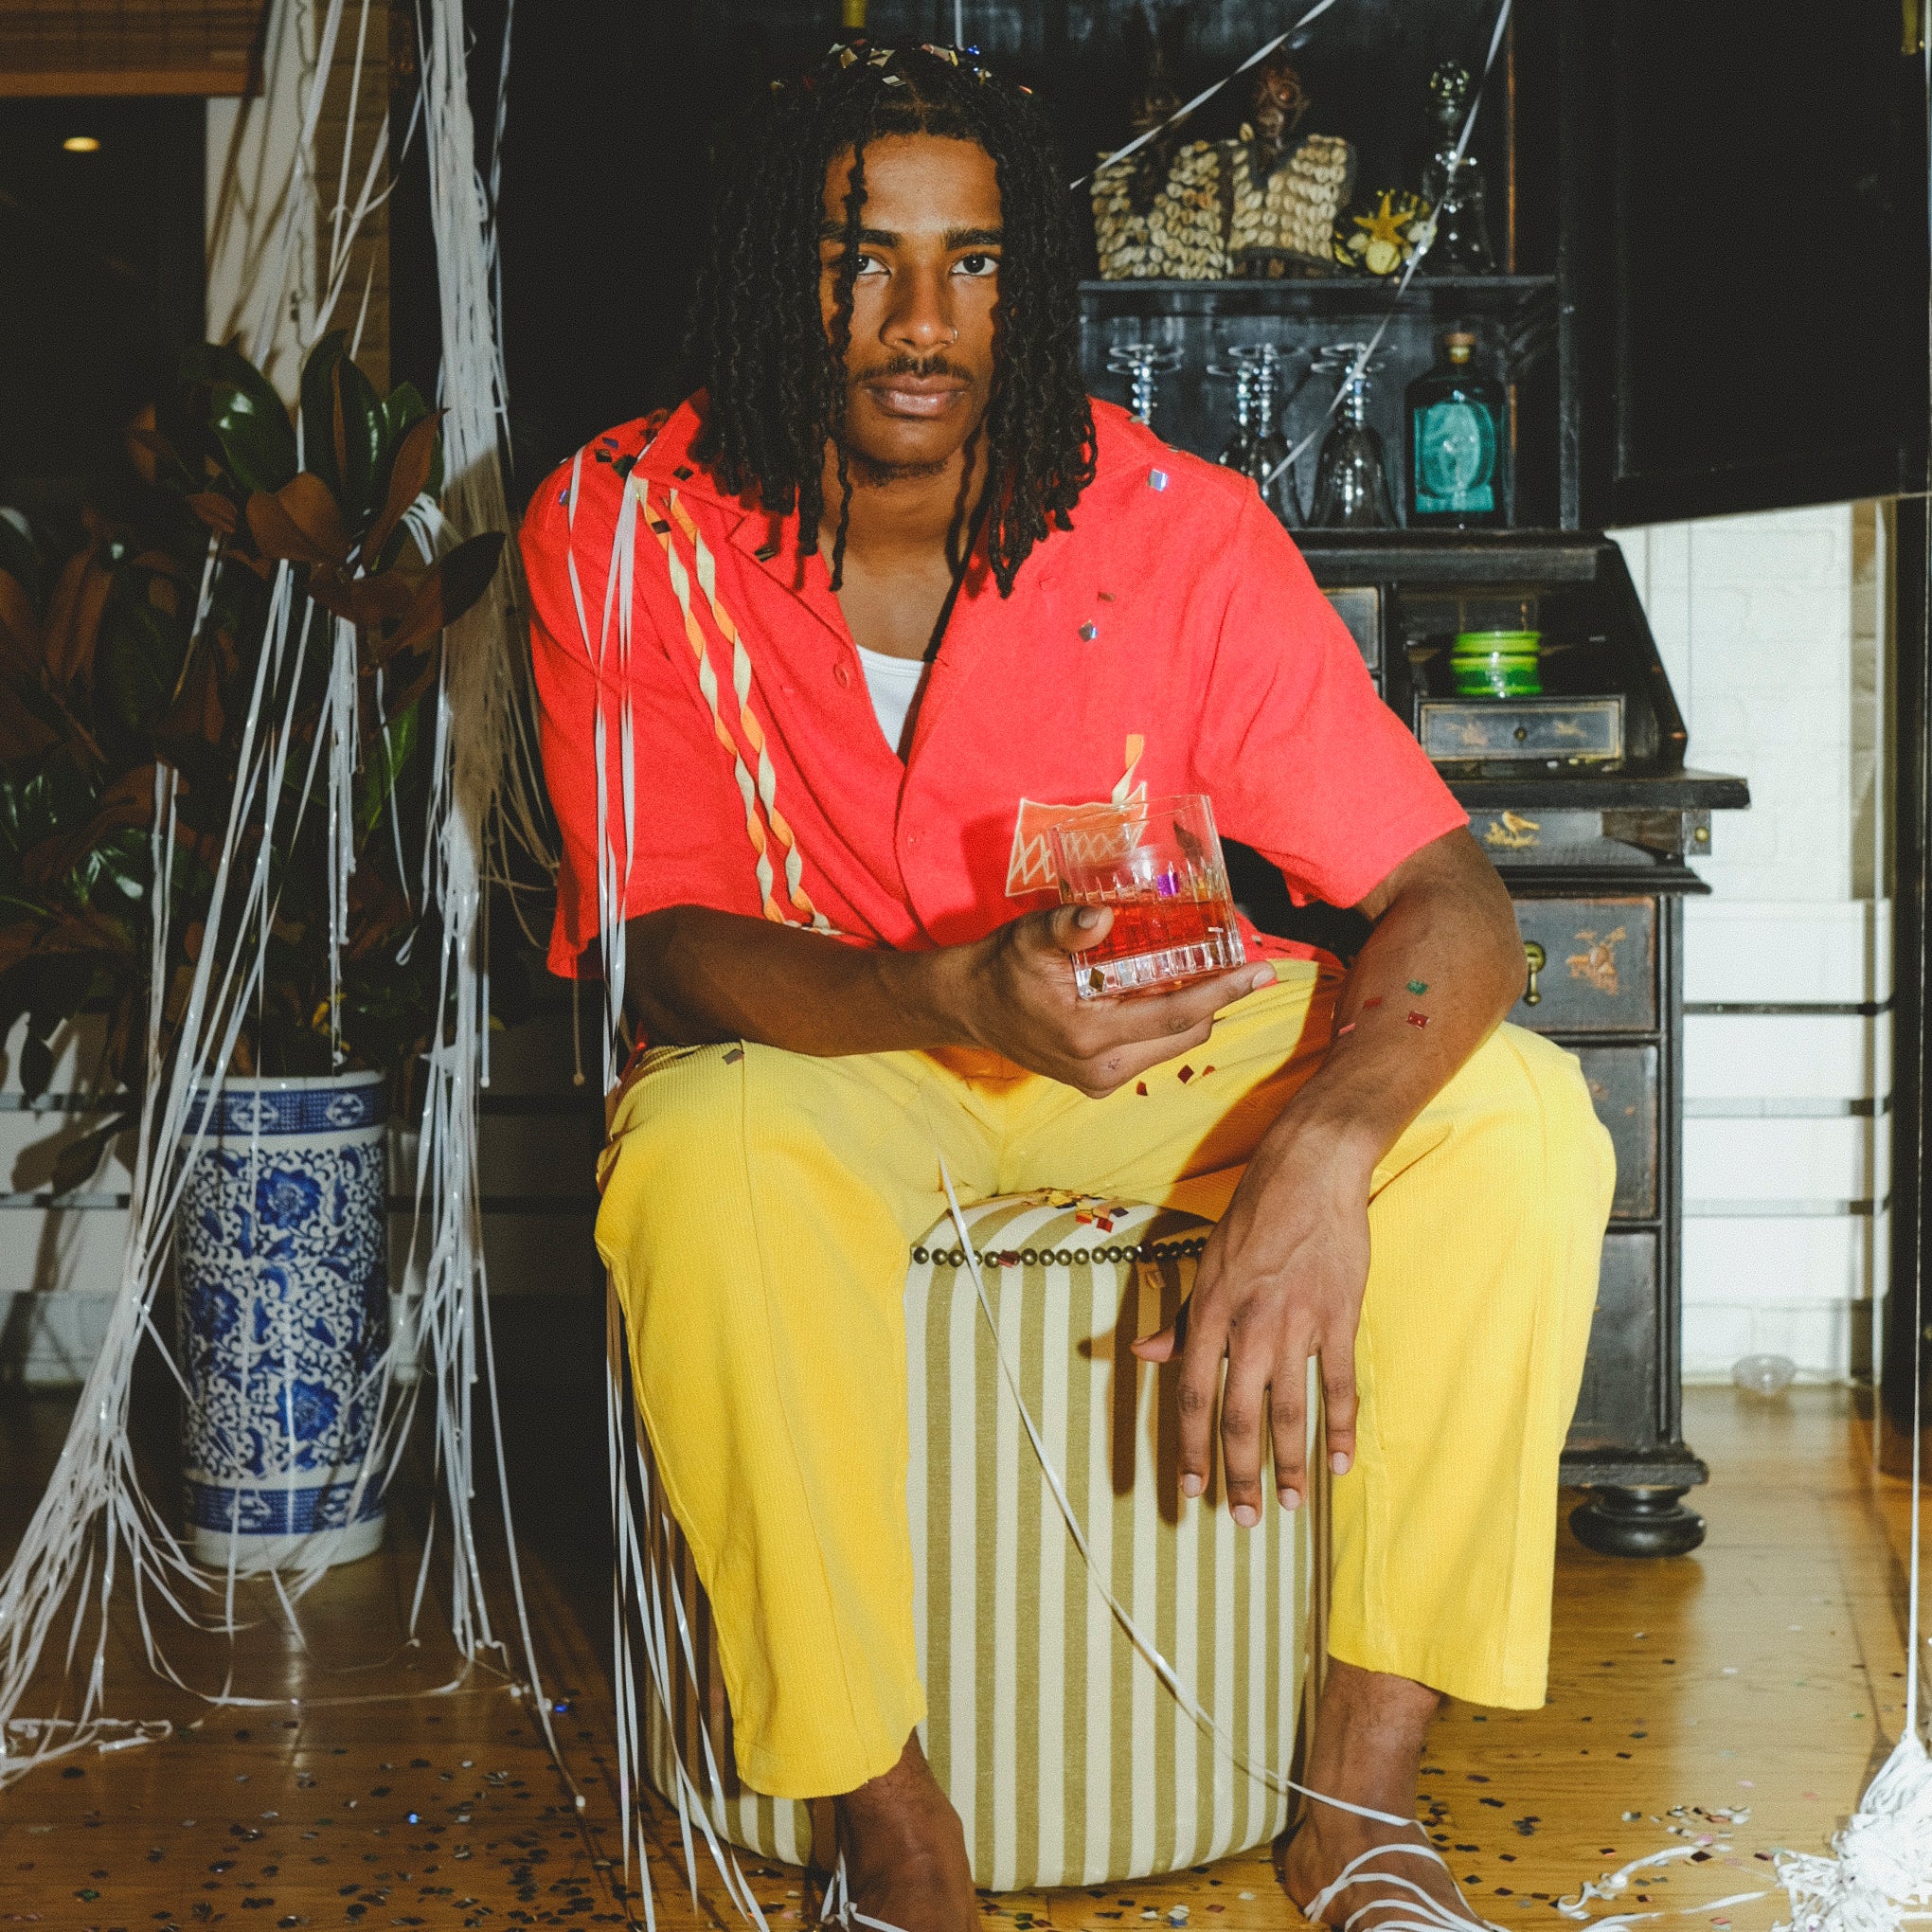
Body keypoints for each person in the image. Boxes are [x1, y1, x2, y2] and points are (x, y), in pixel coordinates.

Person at [520, 43, 1613, 1932]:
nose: (921, 322)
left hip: (1174, 1048)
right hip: (845, 1047)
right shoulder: (624, 524)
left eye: (977, 264)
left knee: (1519, 1118)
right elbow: (656, 946)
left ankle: (1355, 1806)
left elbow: (1450, 896)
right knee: (702, 1159)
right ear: (776, 271)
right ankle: (894, 1829)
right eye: (861, 260)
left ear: (1033, 283)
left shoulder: (1172, 523)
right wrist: (949, 991)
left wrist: (1332, 1144)